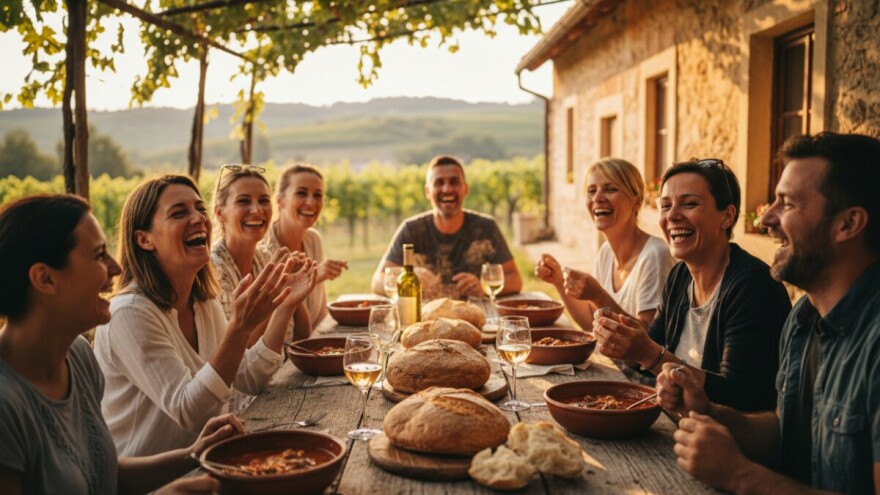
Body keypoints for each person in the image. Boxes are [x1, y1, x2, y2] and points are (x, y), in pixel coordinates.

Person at [657, 132, 880, 494]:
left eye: (787, 204)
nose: (765, 219)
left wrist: (740, 475)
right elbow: (784, 431)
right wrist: (710, 411)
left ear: (848, 224)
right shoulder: (804, 318)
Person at [0, 194, 244, 495]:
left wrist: (193, 454)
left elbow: (102, 473)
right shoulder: (6, 405)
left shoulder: (77, 356)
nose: (115, 268)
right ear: (46, 279)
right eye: (99, 254)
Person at [94, 174, 316, 457]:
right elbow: (190, 412)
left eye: (200, 209)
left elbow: (247, 378)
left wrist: (284, 306)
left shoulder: (202, 300)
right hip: (158, 484)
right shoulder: (129, 314)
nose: (199, 218)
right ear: (144, 239)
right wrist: (240, 327)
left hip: (209, 462)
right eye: (179, 213)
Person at [594, 158, 791, 411]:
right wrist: (625, 337)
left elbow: (741, 397)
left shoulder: (753, 286)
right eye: (665, 206)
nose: (672, 216)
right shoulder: (680, 277)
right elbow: (652, 348)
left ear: (727, 216)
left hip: (721, 444)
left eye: (689, 204)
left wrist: (647, 354)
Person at [535, 158, 675, 330]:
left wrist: (599, 297)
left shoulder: (655, 256)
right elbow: (590, 321)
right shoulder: (606, 253)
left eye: (610, 189)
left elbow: (648, 341)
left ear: (636, 201)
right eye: (591, 191)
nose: (598, 198)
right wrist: (558, 280)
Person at [371, 155, 522, 300]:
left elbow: (515, 279)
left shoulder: (486, 227)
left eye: (454, 182)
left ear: (465, 189)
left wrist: (482, 287)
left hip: (474, 316)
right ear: (428, 192)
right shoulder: (411, 230)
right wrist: (410, 282)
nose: (447, 189)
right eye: (439, 182)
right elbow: (378, 281)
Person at [211, 163, 312, 343]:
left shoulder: (265, 258)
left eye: (264, 200)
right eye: (243, 201)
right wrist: (274, 288)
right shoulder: (215, 269)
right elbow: (238, 349)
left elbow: (302, 335)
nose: (257, 210)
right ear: (220, 213)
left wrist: (295, 295)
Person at [260, 164, 347, 328]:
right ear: (280, 201)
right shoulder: (263, 247)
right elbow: (264, 323)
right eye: (301, 193)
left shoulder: (313, 240)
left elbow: (320, 314)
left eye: (318, 195)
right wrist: (313, 277)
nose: (311, 202)